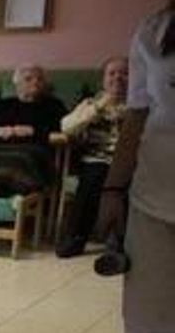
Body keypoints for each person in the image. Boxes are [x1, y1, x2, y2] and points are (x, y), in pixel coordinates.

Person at [77, 0, 175, 333]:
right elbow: (136, 117)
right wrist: (113, 191)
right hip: (154, 195)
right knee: (146, 313)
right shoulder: (155, 30)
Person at [56, 56, 130, 258]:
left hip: (130, 162)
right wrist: (99, 107)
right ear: (103, 79)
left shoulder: (138, 106)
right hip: (96, 160)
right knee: (92, 180)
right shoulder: (90, 103)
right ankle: (75, 238)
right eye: (112, 73)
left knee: (131, 184)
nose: (118, 78)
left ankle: (121, 241)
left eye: (124, 73)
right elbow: (67, 127)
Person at [0, 64, 69, 197]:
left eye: (40, 79)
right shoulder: (4, 105)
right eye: (28, 79)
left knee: (19, 160)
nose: (35, 82)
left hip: (33, 152)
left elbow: (64, 128)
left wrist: (32, 131)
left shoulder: (53, 105)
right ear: (17, 84)